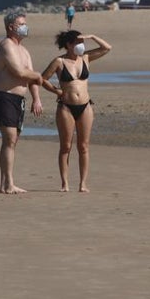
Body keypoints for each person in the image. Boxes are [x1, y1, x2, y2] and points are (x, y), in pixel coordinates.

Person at [40, 30, 112, 193]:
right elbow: (42, 79)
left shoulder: (85, 57)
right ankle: (64, 183)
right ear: (68, 45)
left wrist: (92, 36)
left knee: (84, 146)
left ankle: (83, 183)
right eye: (78, 42)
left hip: (85, 106)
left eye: (82, 42)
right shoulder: (59, 61)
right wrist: (56, 91)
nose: (81, 45)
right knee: (66, 146)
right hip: (66, 107)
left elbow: (107, 48)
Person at [0, 10, 44, 194]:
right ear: (11, 27)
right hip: (4, 96)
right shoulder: (6, 46)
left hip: (19, 99)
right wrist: (38, 75)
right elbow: (20, 73)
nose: (24, 27)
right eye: (21, 24)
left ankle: (5, 182)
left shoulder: (24, 50)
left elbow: (31, 78)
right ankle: (8, 184)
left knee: (13, 141)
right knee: (9, 138)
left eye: (25, 23)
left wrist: (36, 98)